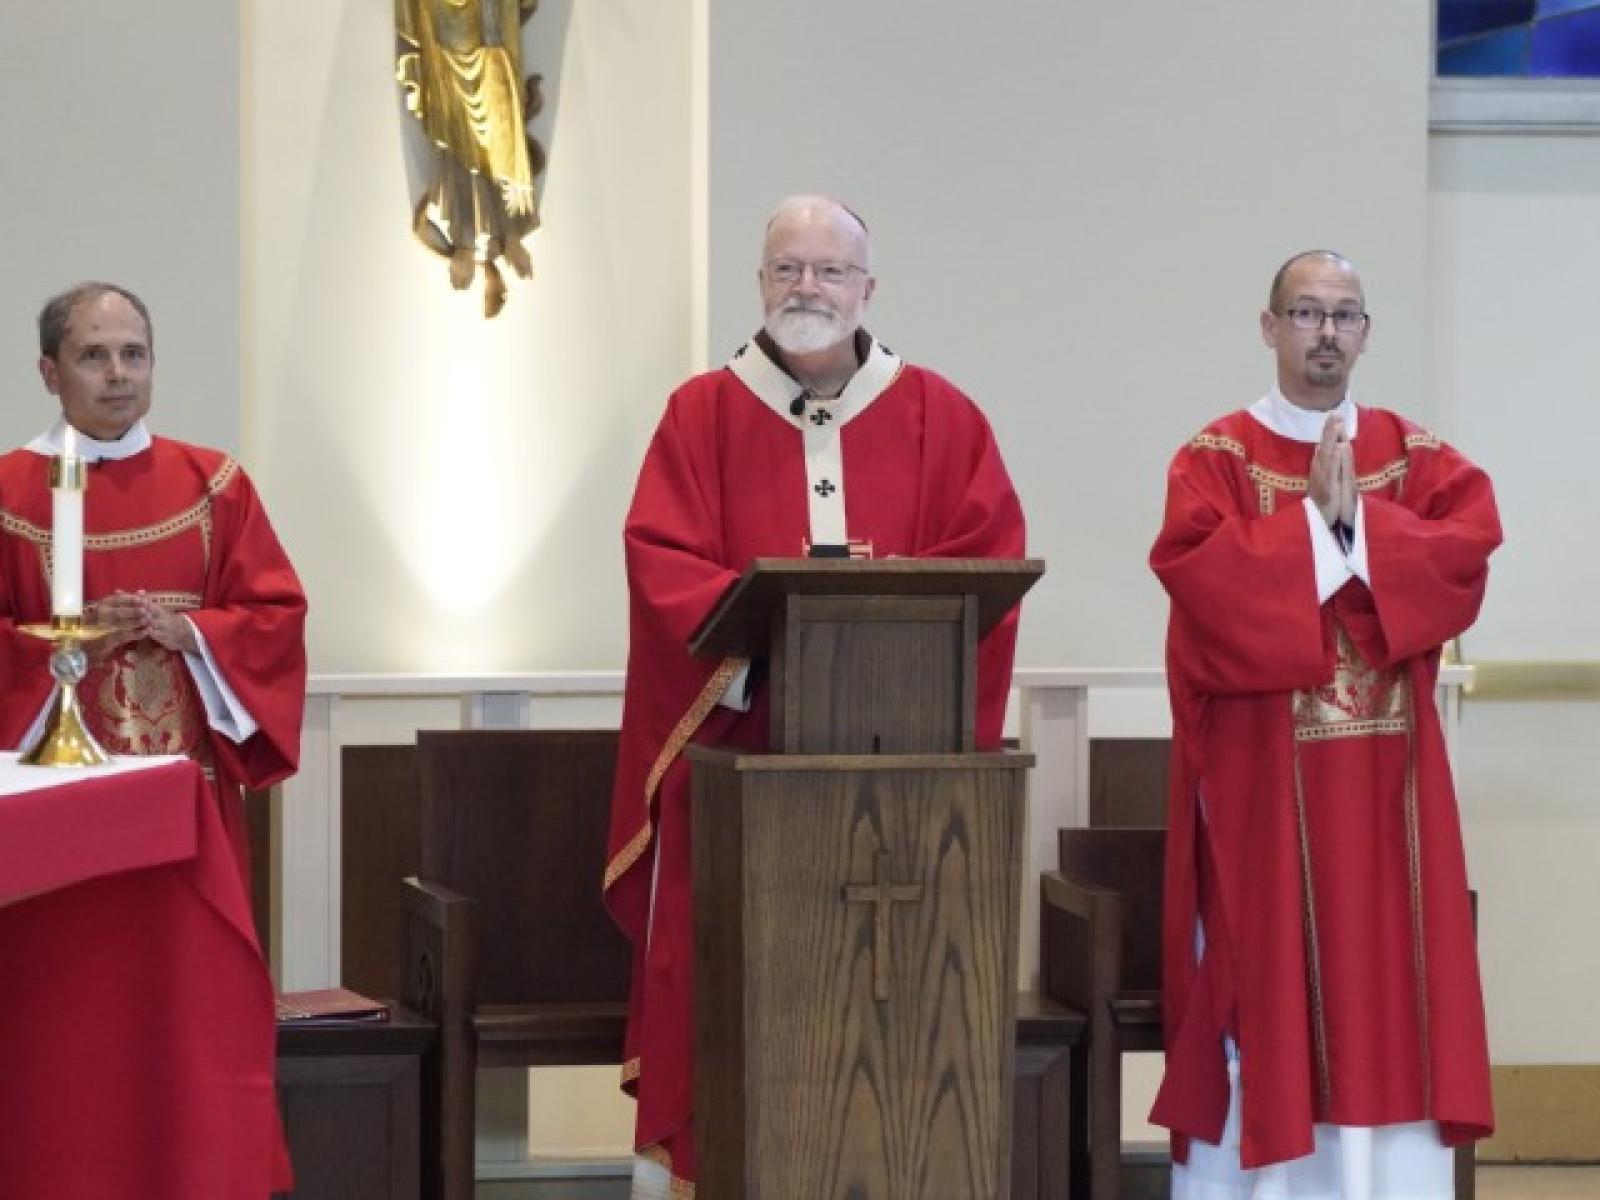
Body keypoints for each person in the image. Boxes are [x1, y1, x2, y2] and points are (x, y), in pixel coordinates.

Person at [603, 195, 1027, 1198]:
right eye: (787, 269)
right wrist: (780, 643)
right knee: (741, 995)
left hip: (907, 789)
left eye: (829, 271)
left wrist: (876, 657)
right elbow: (660, 565)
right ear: (759, 284)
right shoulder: (699, 414)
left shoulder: (940, 415)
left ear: (867, 289)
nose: (807, 288)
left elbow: (989, 561)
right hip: (744, 778)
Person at [1148, 250, 1499, 1198]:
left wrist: (1361, 533)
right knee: (1273, 986)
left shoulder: (1414, 454)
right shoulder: (1215, 457)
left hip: (1391, 800)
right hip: (1266, 790)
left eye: (1345, 315)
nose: (1326, 333)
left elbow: (1465, 554)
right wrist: (1313, 532)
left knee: (1387, 993)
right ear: (1269, 328)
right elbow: (1199, 585)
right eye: (1306, 313)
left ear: (1367, 332)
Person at [0, 282, 308, 880]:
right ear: (48, 372)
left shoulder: (215, 484)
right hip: (50, 791)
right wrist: (73, 638)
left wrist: (191, 632)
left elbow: (276, 616)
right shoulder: (9, 492)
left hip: (189, 788)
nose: (118, 374)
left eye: (133, 354)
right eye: (93, 356)